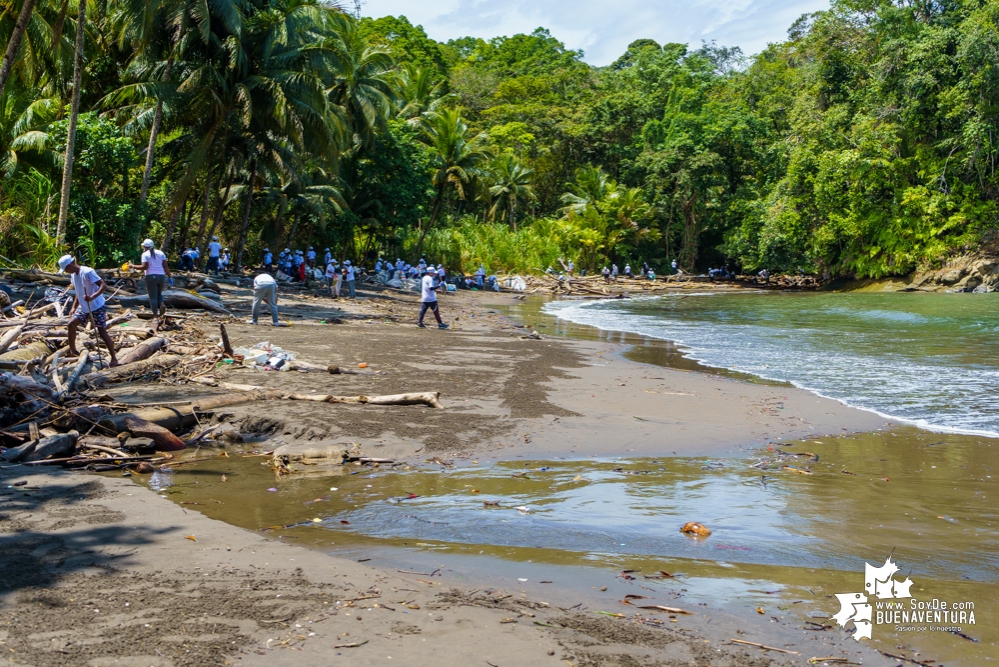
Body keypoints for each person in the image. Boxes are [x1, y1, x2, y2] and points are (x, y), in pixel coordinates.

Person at [59, 255, 119, 367]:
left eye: (66, 269)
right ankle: (73, 351)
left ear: (70, 265)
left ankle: (114, 358)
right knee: (71, 324)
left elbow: (103, 285)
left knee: (102, 331)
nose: (66, 271)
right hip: (83, 306)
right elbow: (78, 291)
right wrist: (73, 307)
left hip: (97, 306)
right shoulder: (73, 275)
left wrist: (92, 296)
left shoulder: (87, 272)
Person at [130, 239, 172, 318]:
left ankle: (155, 316)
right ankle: (162, 304)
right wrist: (169, 277)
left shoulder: (145, 254)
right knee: (159, 294)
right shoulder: (161, 253)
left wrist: (133, 266)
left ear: (145, 247)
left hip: (151, 277)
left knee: (153, 297)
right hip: (161, 276)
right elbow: (165, 266)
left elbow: (144, 267)